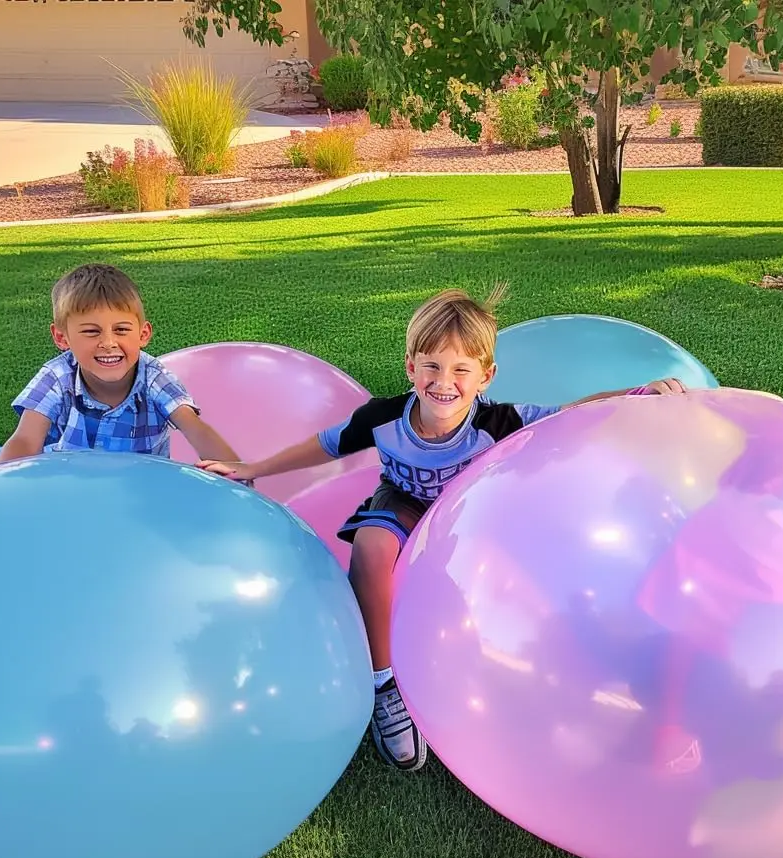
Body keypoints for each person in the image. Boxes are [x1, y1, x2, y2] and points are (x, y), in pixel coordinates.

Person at [198, 286, 684, 772]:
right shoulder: (383, 418)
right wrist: (251, 467)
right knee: (371, 545)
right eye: (431, 366)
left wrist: (635, 395)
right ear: (411, 366)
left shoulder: (499, 420)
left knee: (530, 578)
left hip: (471, 515)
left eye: (460, 370)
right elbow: (325, 446)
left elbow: (571, 415)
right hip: (405, 503)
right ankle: (384, 685)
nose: (443, 382)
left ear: (485, 376)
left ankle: (564, 674)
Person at [0, 264, 240, 465]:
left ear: (143, 334)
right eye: (91, 332)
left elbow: (196, 430)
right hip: (70, 489)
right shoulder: (58, 376)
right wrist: (4, 492)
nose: (108, 343)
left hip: (140, 496)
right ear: (62, 338)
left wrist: (236, 480)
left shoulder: (154, 379)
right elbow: (26, 440)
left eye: (121, 330)